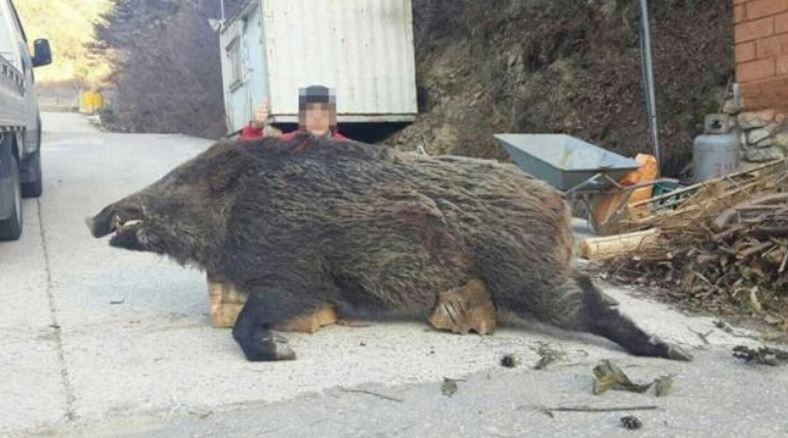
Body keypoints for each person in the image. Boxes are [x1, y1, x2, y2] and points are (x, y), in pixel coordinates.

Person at [240, 85, 348, 141]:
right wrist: (254, 128)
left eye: (323, 112)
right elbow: (248, 157)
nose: (317, 119)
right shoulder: (288, 143)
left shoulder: (345, 147)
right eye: (311, 113)